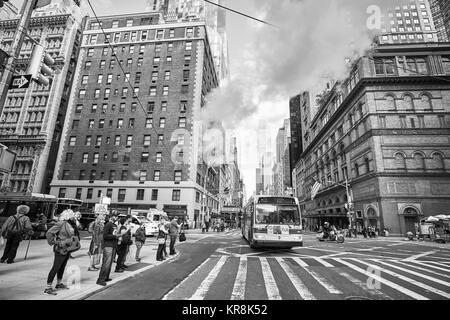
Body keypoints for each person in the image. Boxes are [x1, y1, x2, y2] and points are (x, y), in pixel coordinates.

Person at [44, 209, 78, 295]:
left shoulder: (71, 224)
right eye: (72, 215)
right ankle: (48, 288)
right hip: (60, 248)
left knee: (62, 266)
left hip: (67, 248)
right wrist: (54, 242)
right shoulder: (61, 223)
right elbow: (49, 233)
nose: (74, 216)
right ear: (68, 216)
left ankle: (58, 283)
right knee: (56, 267)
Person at [96, 212, 119, 286]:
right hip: (108, 245)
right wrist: (115, 236)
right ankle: (100, 279)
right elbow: (105, 236)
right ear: (112, 216)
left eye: (117, 216)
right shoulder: (108, 224)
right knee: (106, 263)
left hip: (112, 245)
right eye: (115, 216)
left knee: (109, 263)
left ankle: (106, 277)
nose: (116, 218)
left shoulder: (114, 225)